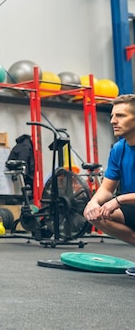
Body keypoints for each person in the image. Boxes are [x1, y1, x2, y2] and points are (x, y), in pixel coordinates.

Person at [83, 94, 135, 276]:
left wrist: (118, 200)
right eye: (112, 116)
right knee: (96, 215)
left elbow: (115, 197)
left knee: (112, 206)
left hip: (128, 201)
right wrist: (93, 203)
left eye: (120, 116)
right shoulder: (119, 149)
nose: (113, 121)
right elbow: (106, 188)